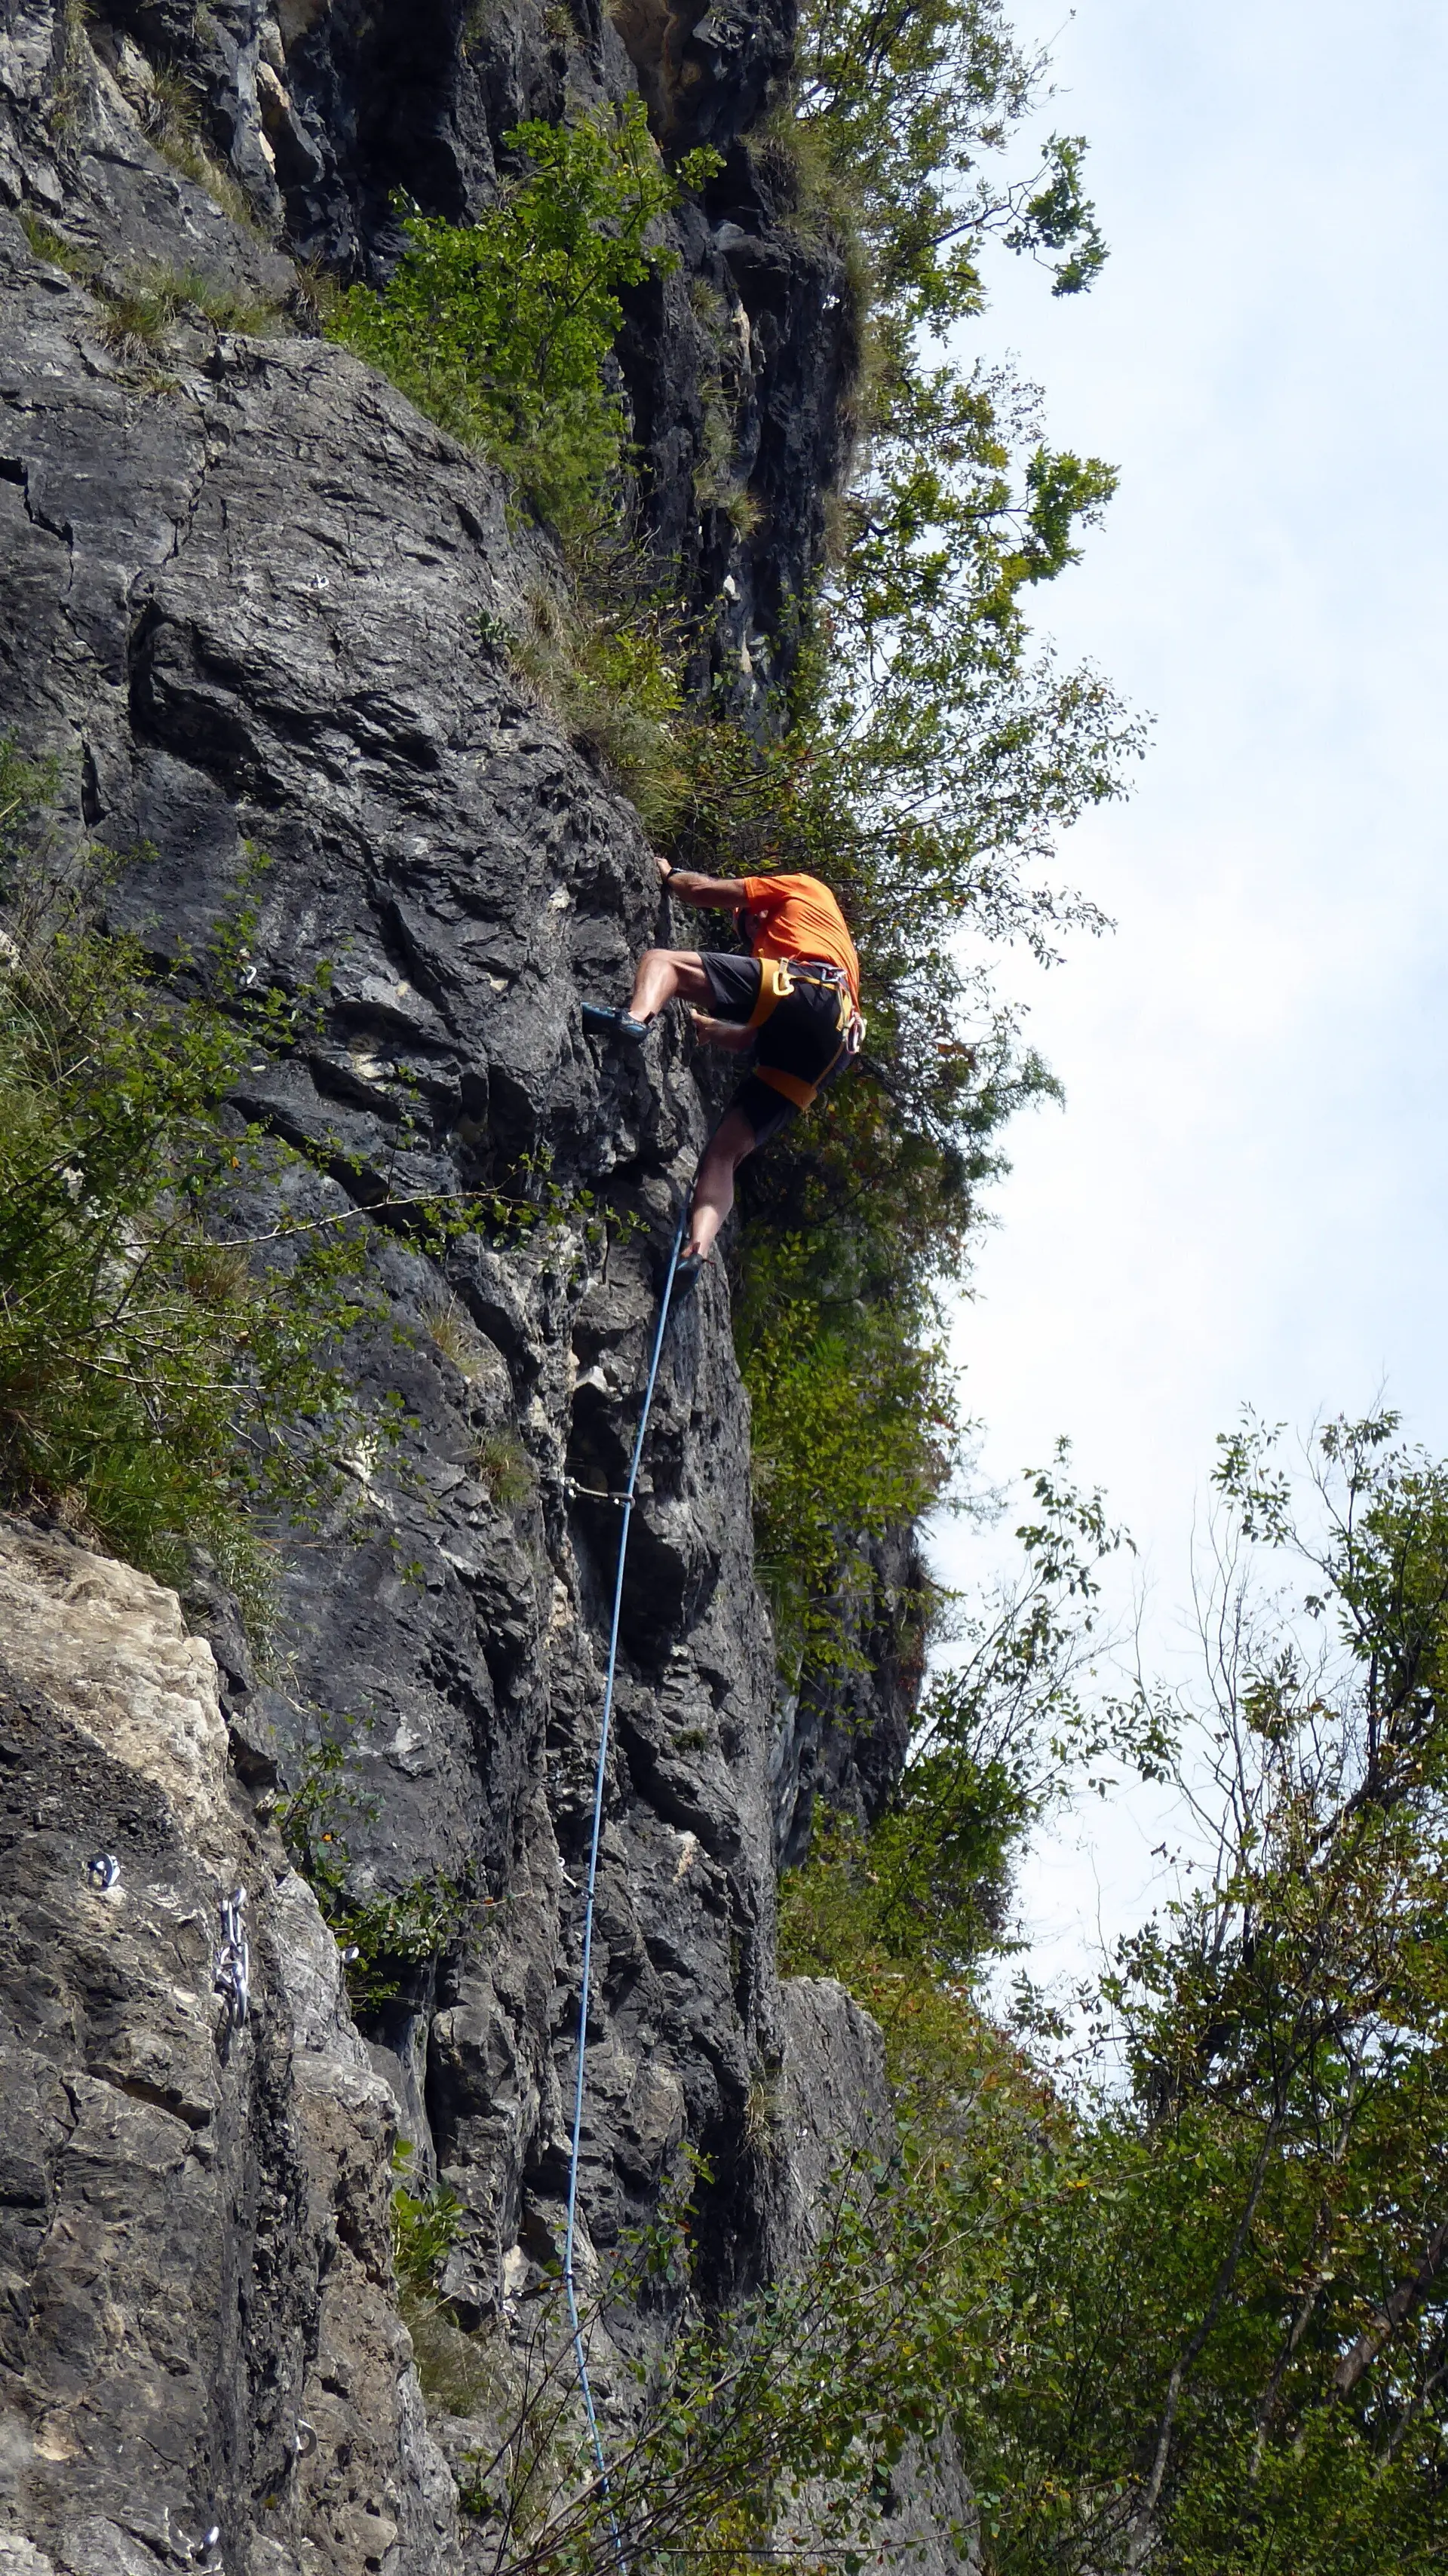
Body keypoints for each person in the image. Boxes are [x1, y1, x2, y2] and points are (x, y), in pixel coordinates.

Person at [583, 857, 864, 1290]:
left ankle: (634, 1018)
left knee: (664, 962)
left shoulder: (803, 889)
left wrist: (671, 874)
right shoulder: (818, 943)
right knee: (724, 1152)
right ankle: (697, 1250)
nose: (750, 936)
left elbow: (703, 892)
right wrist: (710, 1028)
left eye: (749, 924)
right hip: (835, 1046)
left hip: (815, 990)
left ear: (762, 911)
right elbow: (752, 1037)